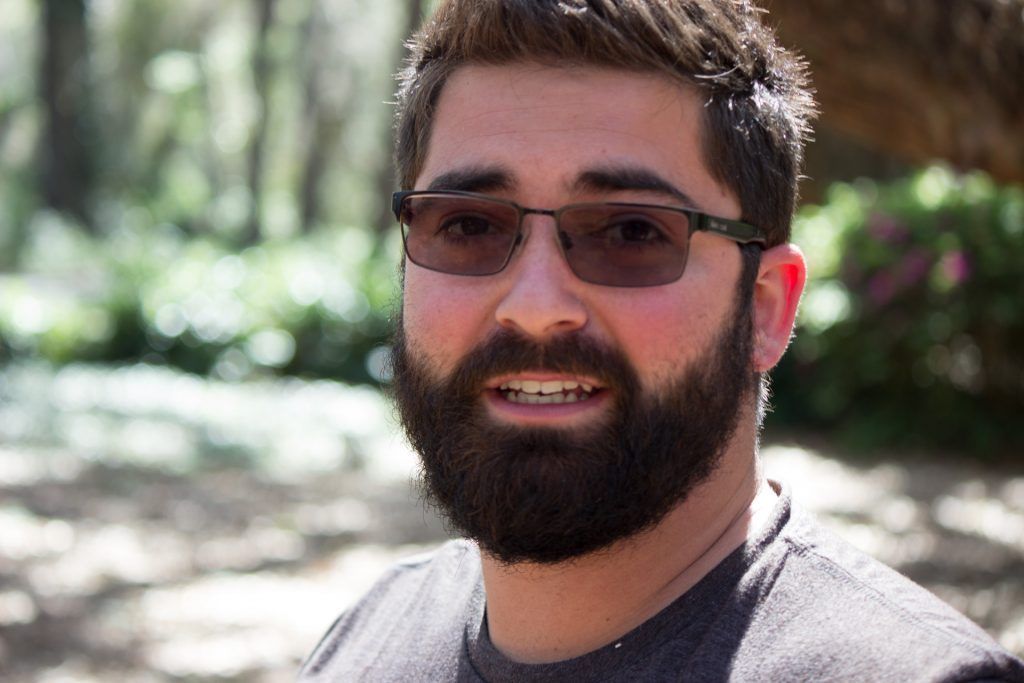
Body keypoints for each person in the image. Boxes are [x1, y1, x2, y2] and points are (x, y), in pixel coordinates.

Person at [300, 1, 1024, 680]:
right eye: (467, 226)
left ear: (764, 309)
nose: (535, 307)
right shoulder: (365, 639)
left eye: (631, 232)